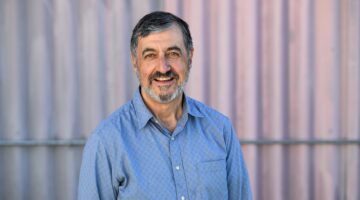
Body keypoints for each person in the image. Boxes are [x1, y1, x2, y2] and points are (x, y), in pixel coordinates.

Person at [78, 11, 252, 200]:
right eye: (150, 55)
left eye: (173, 53)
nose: (163, 67)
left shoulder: (220, 130)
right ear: (135, 62)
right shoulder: (106, 142)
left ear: (190, 57)